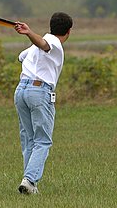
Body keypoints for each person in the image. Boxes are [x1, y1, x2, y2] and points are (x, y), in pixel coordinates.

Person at [13, 12, 73, 194]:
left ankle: (30, 184)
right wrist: (29, 33)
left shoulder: (35, 46)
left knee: (29, 139)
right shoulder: (53, 43)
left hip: (21, 90)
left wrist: (32, 39)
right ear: (69, 31)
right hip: (39, 91)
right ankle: (30, 180)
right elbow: (45, 45)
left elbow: (20, 57)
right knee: (43, 140)